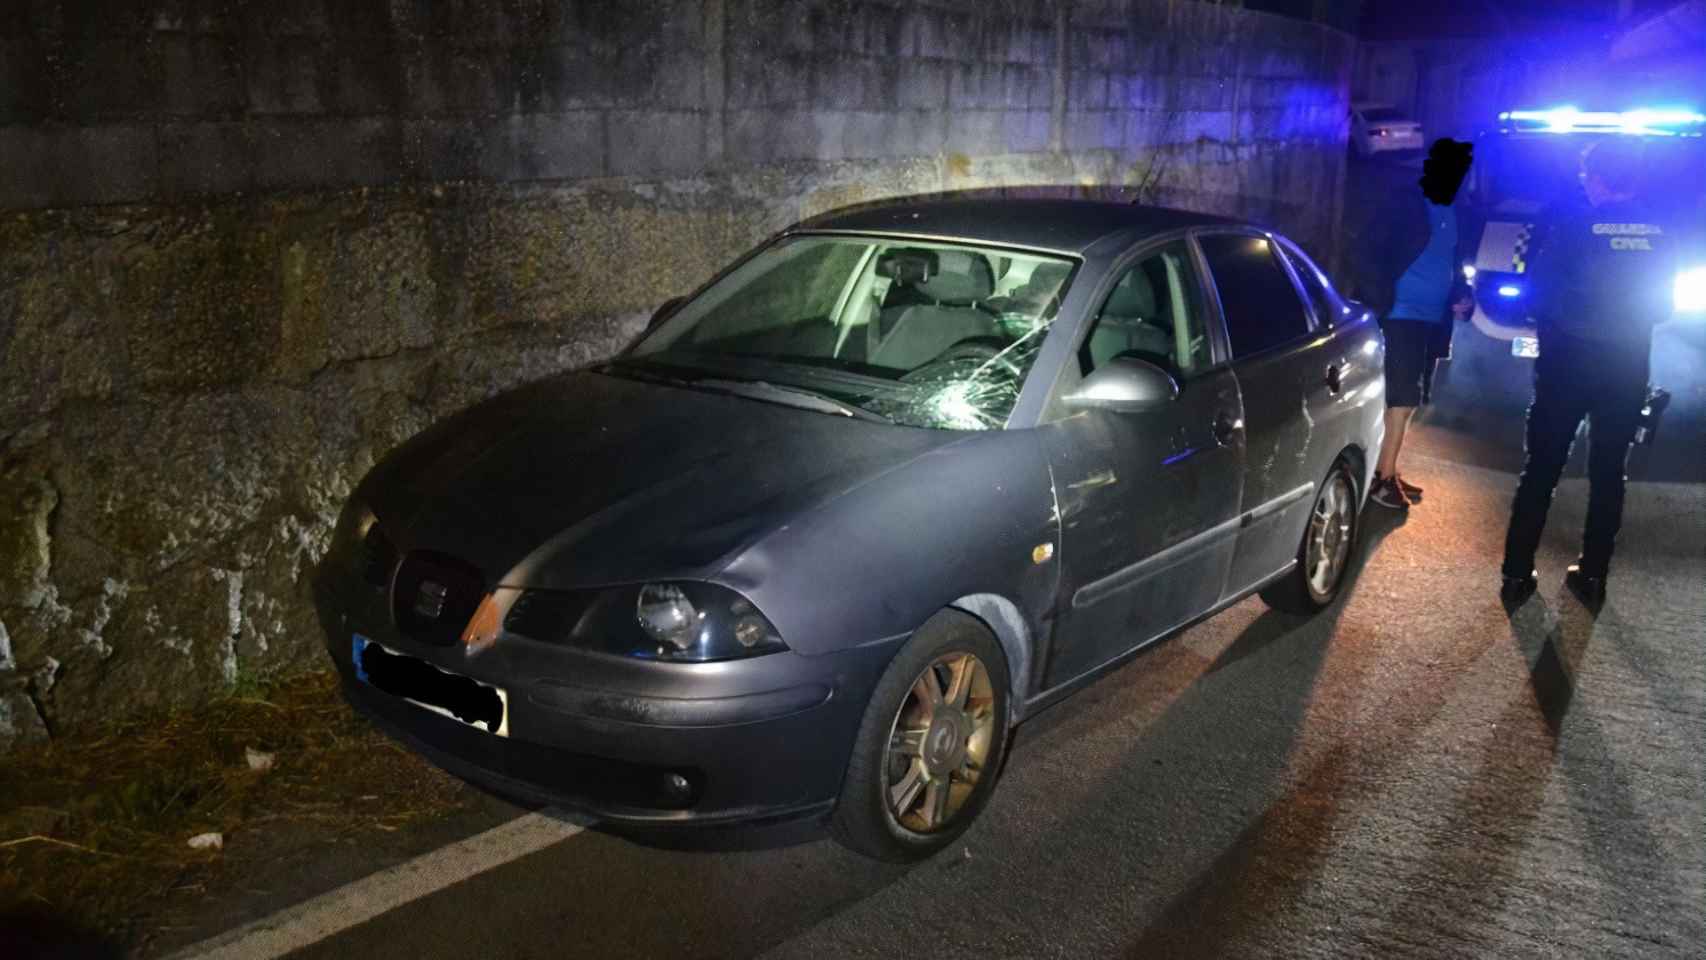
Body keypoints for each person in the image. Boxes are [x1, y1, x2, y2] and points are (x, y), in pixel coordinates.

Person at [1499, 138, 1678, 609]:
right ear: (1634, 179)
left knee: (1541, 469)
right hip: (1625, 368)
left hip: (1568, 366)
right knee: (1608, 473)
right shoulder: (1660, 232)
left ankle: (1517, 574)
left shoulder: (1575, 226)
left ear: (1595, 179)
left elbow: (1537, 296)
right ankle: (1593, 575)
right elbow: (1663, 308)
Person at [1351, 138, 1479, 510]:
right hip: (1400, 314)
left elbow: (1453, 263)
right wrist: (1380, 298)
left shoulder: (1460, 210)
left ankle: (1388, 467)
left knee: (1412, 400)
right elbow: (1365, 251)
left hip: (1434, 320)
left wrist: (1461, 293)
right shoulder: (1403, 203)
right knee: (1401, 400)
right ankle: (1382, 479)